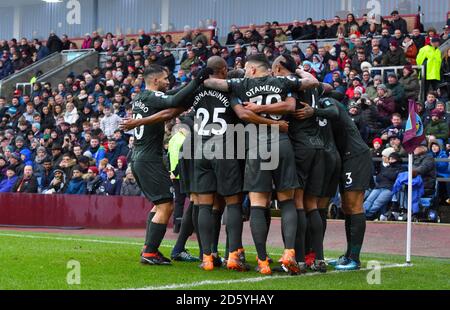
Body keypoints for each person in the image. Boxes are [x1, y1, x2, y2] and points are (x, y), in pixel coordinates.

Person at [204, 53, 319, 275]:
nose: (245, 71)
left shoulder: (241, 84)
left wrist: (254, 107)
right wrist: (301, 72)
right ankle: (289, 254)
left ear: (253, 70)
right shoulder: (283, 82)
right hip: (282, 144)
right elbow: (306, 89)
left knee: (258, 203)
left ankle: (263, 261)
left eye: (247, 68)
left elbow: (210, 82)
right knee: (287, 202)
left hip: (257, 146)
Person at [126, 64, 211, 265]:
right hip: (148, 159)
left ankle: (148, 248)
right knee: (165, 205)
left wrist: (192, 88)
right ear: (155, 80)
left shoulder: (140, 97)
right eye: (165, 78)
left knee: (160, 205)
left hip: (140, 157)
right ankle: (150, 252)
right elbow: (173, 100)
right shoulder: (152, 97)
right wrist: (197, 80)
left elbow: (173, 95)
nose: (168, 81)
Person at [297, 84, 372, 271]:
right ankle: (347, 256)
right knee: (346, 206)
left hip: (355, 156)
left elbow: (333, 112)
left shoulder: (327, 102)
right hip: (341, 157)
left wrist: (313, 111)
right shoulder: (321, 105)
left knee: (353, 205)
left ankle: (354, 258)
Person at [363, 152, 404, 220]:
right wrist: (387, 175)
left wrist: (385, 174)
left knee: (377, 203)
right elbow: (379, 178)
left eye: (392, 159)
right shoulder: (386, 168)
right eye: (390, 159)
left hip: (389, 189)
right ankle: (361, 214)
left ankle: (367, 215)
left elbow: (394, 177)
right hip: (378, 187)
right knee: (368, 200)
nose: (390, 160)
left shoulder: (401, 169)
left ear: (397, 159)